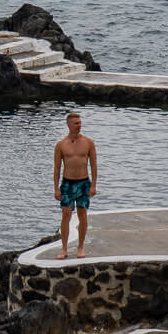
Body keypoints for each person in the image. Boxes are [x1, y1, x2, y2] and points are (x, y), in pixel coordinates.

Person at [53, 111, 97, 259]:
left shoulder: (88, 142)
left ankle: (80, 247)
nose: (79, 125)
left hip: (84, 182)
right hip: (67, 183)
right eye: (76, 123)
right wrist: (56, 188)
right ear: (69, 125)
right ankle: (64, 249)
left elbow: (94, 165)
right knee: (66, 213)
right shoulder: (61, 145)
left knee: (82, 213)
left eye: (80, 123)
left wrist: (93, 185)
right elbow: (57, 168)